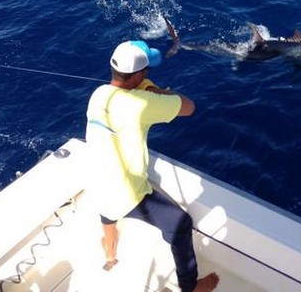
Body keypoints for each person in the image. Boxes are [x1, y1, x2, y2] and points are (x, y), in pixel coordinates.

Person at [85, 40, 219, 292]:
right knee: (181, 225)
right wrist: (154, 91)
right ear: (139, 75)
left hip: (96, 185)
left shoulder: (98, 94)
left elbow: (126, 100)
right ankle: (190, 287)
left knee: (109, 215)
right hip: (126, 195)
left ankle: (110, 251)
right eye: (146, 71)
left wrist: (144, 87)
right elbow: (189, 107)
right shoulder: (141, 103)